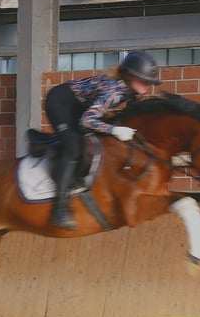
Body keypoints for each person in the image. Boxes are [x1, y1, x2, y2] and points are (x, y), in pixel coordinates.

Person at [44, 50, 162, 230]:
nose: (147, 87)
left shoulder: (130, 90)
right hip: (60, 102)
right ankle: (59, 209)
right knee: (74, 147)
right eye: (144, 81)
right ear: (129, 76)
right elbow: (87, 120)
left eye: (150, 83)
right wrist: (114, 129)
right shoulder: (114, 91)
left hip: (79, 106)